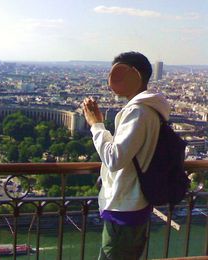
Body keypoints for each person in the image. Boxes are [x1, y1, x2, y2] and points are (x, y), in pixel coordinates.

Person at [82, 52, 170, 260]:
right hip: (135, 202)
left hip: (125, 205)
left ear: (132, 75)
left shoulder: (138, 111)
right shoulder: (151, 108)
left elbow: (114, 159)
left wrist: (96, 125)